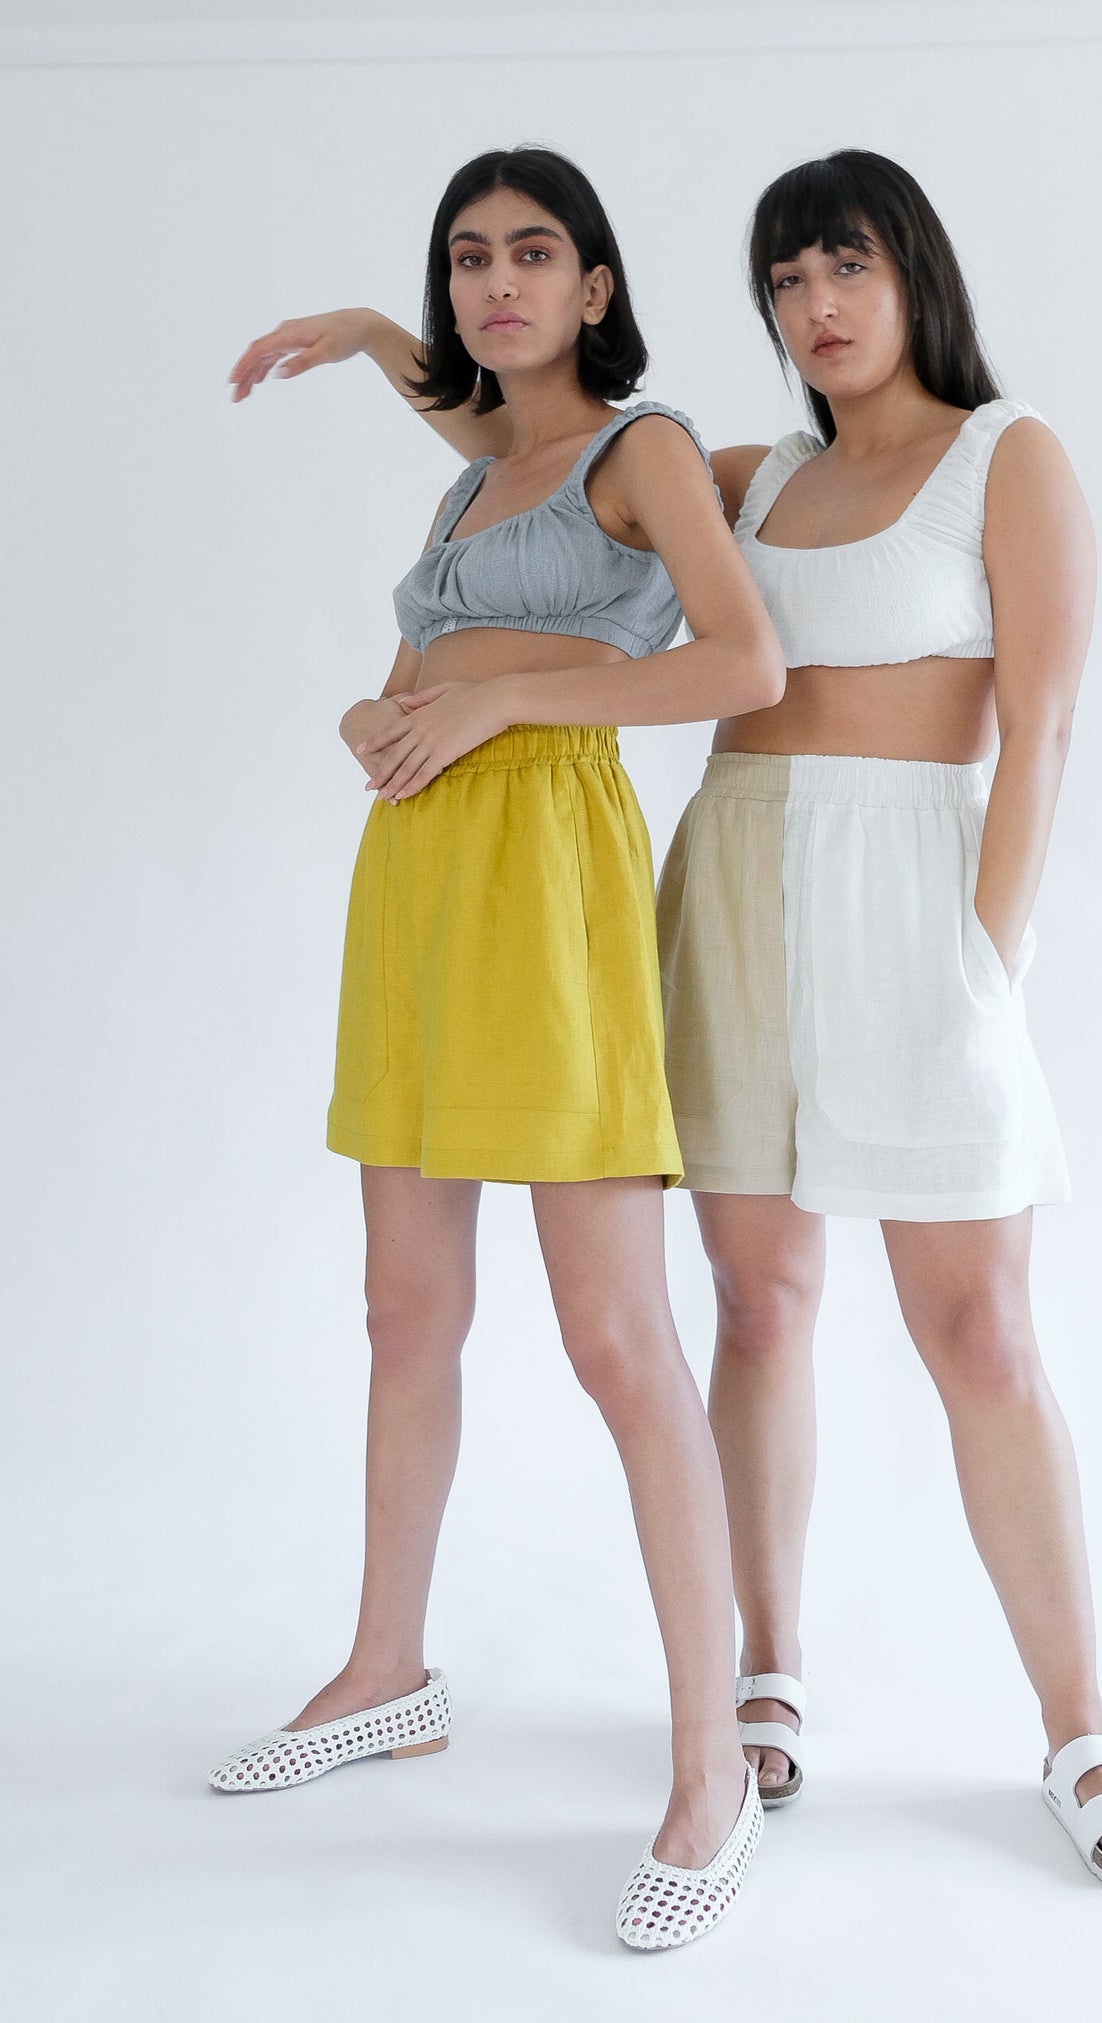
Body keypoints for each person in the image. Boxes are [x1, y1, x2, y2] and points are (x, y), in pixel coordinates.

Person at [228, 146, 1102, 1888]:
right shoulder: (753, 478)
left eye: (845, 272)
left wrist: (988, 963)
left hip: (915, 899)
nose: (814, 310)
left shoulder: (1004, 458)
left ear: (914, 279)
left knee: (976, 1332)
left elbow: (1038, 730)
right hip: (729, 882)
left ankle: (1079, 1723)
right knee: (757, 1301)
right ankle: (765, 1674)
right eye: (785, 285)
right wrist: (391, 341)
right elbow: (545, 463)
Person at [214, 146, 786, 1950]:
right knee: (405, 1309)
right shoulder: (482, 474)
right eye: (467, 259)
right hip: (420, 883)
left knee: (616, 1332)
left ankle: (709, 1768)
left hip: (548, 873)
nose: (496, 283)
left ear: (597, 286)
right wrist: (390, 708)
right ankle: (389, 1665)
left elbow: (744, 662)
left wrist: (499, 698)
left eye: (533, 254)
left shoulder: (646, 449)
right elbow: (464, 465)